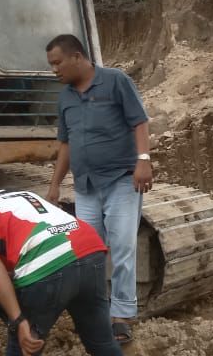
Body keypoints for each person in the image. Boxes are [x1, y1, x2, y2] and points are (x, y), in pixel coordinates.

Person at [45, 34, 153, 344]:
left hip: (121, 179)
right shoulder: (65, 97)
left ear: (77, 57)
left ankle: (121, 316)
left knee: (122, 249)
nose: (54, 70)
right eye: (51, 64)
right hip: (86, 187)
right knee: (88, 253)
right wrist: (54, 185)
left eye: (57, 63)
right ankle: (96, 313)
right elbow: (65, 143)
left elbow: (139, 122)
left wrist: (143, 160)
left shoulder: (115, 81)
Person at [0, 174, 122, 356]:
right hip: (90, 248)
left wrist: (17, 319)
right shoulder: (23, 195)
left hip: (48, 263)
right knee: (101, 342)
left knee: (24, 347)